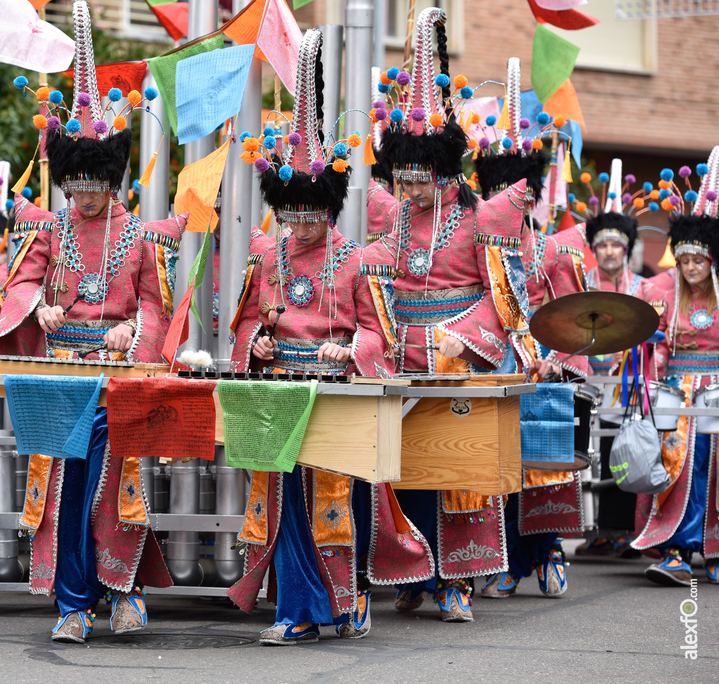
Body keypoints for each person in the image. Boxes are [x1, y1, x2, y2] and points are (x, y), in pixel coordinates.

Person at [227, 28, 433, 646]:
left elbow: (381, 335)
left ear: (331, 207)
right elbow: (242, 322)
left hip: (336, 394)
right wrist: (253, 347)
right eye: (290, 213)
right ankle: (301, 609)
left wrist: (352, 351)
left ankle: (345, 597)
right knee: (285, 504)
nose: (300, 224)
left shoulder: (358, 259)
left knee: (337, 504)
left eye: (311, 213)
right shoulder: (266, 253)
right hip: (279, 395)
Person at [0, 1, 183, 644]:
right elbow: (16, 282)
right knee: (67, 488)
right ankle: (74, 602)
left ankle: (123, 589)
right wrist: (34, 306)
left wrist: (136, 332)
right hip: (61, 372)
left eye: (92, 183)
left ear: (111, 176)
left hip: (118, 373)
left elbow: (157, 304)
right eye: (72, 185)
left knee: (117, 486)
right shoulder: (47, 229)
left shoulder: (139, 236)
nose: (82, 196)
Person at [368, 7, 527, 623]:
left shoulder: (479, 217)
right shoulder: (388, 213)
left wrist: (461, 339)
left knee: (456, 467)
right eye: (402, 177)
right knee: (403, 467)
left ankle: (457, 579)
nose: (410, 189)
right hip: (399, 349)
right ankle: (413, 571)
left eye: (420, 177)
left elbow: (502, 295)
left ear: (443, 168)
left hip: (458, 354)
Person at [471, 58, 588, 600]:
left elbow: (576, 317)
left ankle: (546, 551)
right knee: (495, 469)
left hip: (540, 367)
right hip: (492, 362)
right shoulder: (475, 248)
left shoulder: (553, 251)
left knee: (541, 467)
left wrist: (557, 359)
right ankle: (508, 557)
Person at [632, 150, 719, 586]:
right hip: (678, 391)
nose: (689, 268)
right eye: (683, 261)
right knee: (678, 467)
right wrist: (653, 369)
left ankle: (714, 548)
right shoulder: (668, 296)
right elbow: (659, 344)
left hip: (717, 390)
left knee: (715, 469)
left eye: (697, 261)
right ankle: (679, 550)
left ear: (712, 260)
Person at [574, 162, 667, 558]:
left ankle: (625, 529)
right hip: (587, 379)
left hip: (629, 384)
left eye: (616, 245)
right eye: (602, 245)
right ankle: (596, 530)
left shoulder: (645, 288)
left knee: (625, 448)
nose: (609, 252)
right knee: (585, 452)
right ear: (593, 249)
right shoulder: (579, 286)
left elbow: (659, 338)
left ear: (626, 248)